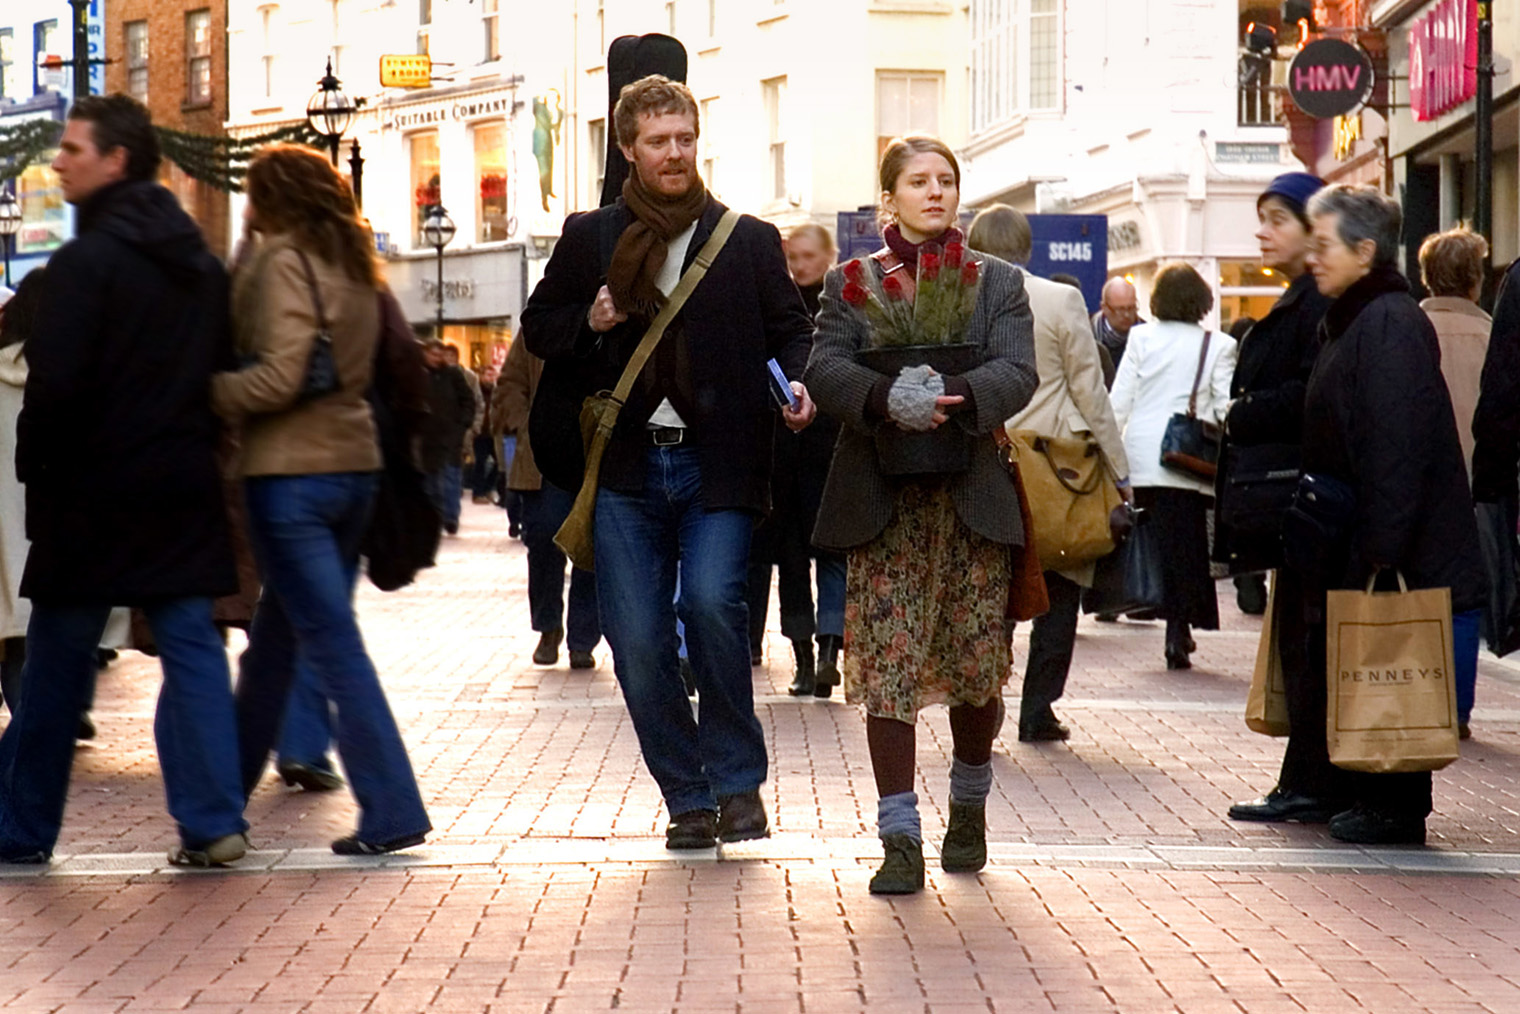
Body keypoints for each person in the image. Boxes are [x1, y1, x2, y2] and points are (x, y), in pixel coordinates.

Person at [521, 75, 816, 851]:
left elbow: (792, 330)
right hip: (623, 471)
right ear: (628, 148)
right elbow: (540, 326)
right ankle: (688, 797)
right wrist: (589, 316)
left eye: (685, 138)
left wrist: (800, 381)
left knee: (715, 608)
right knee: (639, 640)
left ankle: (737, 786)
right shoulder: (590, 236)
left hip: (718, 462)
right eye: (659, 141)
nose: (675, 153)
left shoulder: (745, 238)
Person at [0, 94, 248, 867]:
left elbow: (55, 387)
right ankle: (213, 822)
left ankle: (22, 829)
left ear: (117, 160)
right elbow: (222, 370)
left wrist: (33, 471)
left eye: (75, 148)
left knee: (55, 671)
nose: (60, 160)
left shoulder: (82, 265)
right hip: (178, 482)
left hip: (91, 492)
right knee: (192, 647)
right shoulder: (201, 266)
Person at [806, 136, 1038, 895]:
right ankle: (899, 838)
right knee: (889, 671)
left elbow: (1017, 368)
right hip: (885, 503)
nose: (934, 192)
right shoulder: (852, 283)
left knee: (978, 673)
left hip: (972, 499)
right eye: (918, 181)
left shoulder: (997, 281)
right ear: (890, 199)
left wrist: (956, 397)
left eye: (946, 180)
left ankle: (967, 809)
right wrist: (882, 400)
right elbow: (825, 367)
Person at [212, 143, 431, 856]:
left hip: (291, 474)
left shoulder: (281, 260)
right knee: (275, 648)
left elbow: (278, 376)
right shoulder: (355, 260)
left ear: (271, 199)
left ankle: (393, 807)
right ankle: (217, 806)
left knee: (334, 649)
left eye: (251, 193)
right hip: (354, 469)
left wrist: (210, 391)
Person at [1293, 184, 1484, 844]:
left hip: (1392, 536)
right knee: (1368, 661)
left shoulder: (1389, 322)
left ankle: (1396, 805)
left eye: (1323, 244)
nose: (1312, 257)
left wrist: (1382, 545)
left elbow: (1398, 444)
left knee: (1392, 661)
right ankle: (1363, 793)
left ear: (1364, 249)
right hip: (1363, 527)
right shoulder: (1360, 316)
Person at [967, 204, 1130, 743]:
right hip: (1056, 467)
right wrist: (1119, 470)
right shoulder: (1060, 299)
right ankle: (1038, 709)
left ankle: (982, 709)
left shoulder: (962, 299)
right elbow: (1090, 393)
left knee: (993, 594)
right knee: (1059, 590)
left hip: (987, 460)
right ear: (1026, 246)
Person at [1216, 173, 1343, 827]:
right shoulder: (1298, 299)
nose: (1262, 231)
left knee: (1309, 642)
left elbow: (1306, 397)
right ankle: (1306, 778)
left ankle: (1312, 782)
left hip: (1303, 497)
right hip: (1296, 499)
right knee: (1299, 640)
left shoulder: (1314, 307)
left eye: (1276, 219)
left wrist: (1240, 412)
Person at [1110, 263, 1237, 670]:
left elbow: (1120, 399)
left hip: (1143, 453)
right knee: (1187, 546)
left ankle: (1153, 606)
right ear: (1202, 301)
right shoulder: (1217, 344)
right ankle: (1178, 629)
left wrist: (1112, 456)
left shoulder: (1141, 337)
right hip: (1186, 457)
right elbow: (1221, 407)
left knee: (1152, 541)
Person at [745, 222, 848, 697]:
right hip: (785, 452)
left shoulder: (844, 306)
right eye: (794, 257)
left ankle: (825, 654)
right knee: (792, 559)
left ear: (830, 255)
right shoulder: (778, 305)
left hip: (828, 452)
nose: (800, 265)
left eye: (809, 255)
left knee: (827, 553)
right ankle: (809, 656)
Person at [492, 331, 602, 669]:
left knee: (592, 549)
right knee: (542, 541)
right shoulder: (538, 326)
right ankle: (548, 626)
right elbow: (510, 383)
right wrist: (526, 425)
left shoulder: (611, 312)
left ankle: (582, 640)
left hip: (593, 455)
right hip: (544, 457)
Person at [1418, 228, 1490, 483]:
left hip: (1421, 483)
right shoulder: (1492, 339)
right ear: (1475, 280)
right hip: (1484, 483)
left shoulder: (1403, 333)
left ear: (1427, 277)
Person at [420, 340, 477, 536]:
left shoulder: (452, 375)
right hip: (427, 438)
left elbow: (468, 400)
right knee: (431, 481)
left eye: (439, 354)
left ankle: (451, 517)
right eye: (432, 354)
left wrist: (463, 424)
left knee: (451, 477)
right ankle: (435, 516)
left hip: (451, 435)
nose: (436, 358)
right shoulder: (420, 374)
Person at [1092, 276, 1142, 369]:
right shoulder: (1088, 334)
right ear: (1104, 308)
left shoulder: (1145, 336)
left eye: (1131, 308)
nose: (1126, 315)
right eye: (1120, 309)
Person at [470, 366, 499, 504]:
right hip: (479, 432)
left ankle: (488, 488)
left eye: (492, 375)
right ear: (481, 376)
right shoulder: (475, 390)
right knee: (480, 463)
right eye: (488, 375)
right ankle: (478, 492)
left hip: (493, 433)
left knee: (500, 463)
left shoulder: (497, 391)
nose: (490, 378)